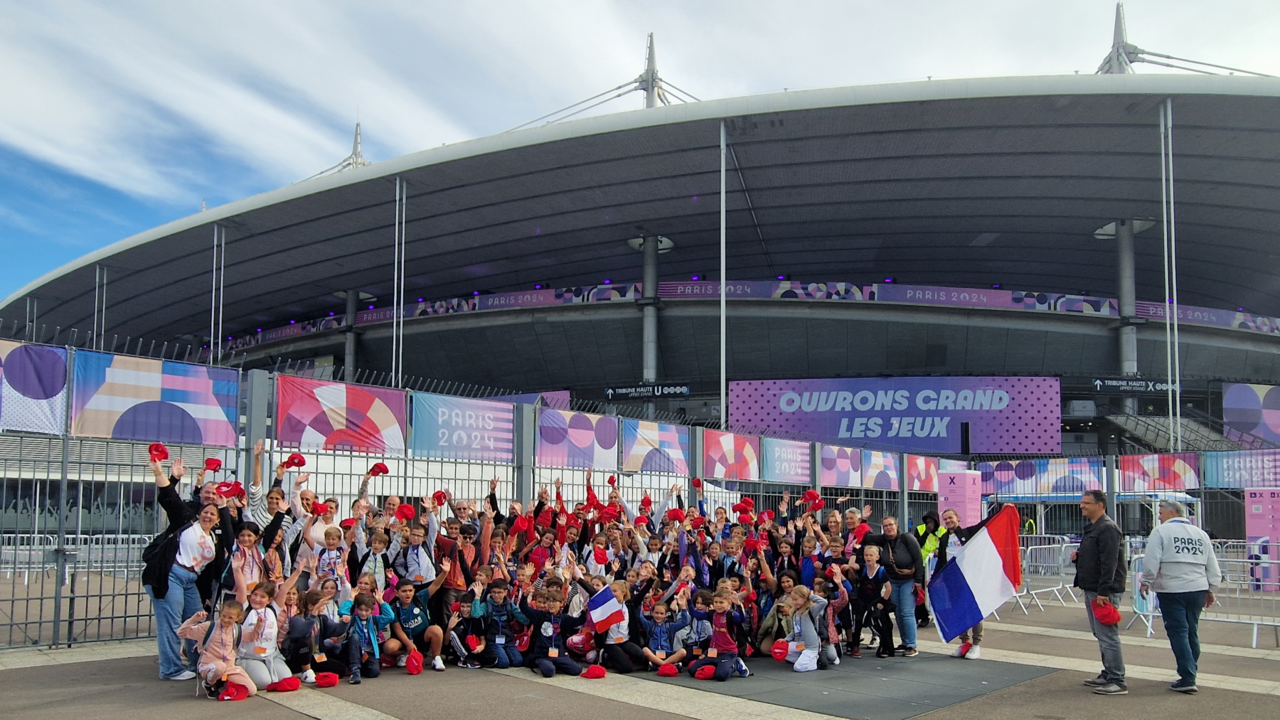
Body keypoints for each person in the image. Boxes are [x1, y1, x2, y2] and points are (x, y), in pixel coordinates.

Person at [141, 457, 236, 681]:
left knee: (199, 622)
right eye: (206, 511)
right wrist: (162, 474)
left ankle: (198, 663)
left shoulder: (214, 537)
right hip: (171, 575)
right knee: (172, 624)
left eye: (213, 513)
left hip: (190, 581)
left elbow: (229, 545)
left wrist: (223, 506)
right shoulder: (188, 523)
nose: (208, 515)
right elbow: (170, 498)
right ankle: (171, 669)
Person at [1140, 500, 1221, 694]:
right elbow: (1212, 564)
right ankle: (1190, 669)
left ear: (1172, 513)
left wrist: (1146, 580)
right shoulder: (1201, 534)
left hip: (1171, 588)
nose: (1158, 516)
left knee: (1178, 631)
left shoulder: (1160, 532)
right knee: (1191, 630)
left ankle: (1187, 676)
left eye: (1161, 512)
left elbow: (1151, 559)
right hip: (1197, 588)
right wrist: (1212, 589)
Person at [1072, 489, 1127, 695]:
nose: (1082, 506)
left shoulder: (1107, 529)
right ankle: (1108, 673)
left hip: (1103, 592)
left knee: (1107, 634)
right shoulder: (1096, 528)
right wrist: (1079, 558)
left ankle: (1117, 679)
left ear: (1100, 505)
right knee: (1100, 633)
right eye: (1082, 502)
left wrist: (1104, 591)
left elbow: (1110, 562)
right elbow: (1099, 557)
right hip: (1093, 588)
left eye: (1087, 503)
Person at [861, 516, 923, 657]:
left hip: (909, 580)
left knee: (907, 612)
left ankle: (912, 645)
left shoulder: (907, 538)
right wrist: (864, 520)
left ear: (896, 525)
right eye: (885, 526)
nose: (888, 528)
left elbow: (918, 558)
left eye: (890, 525)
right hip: (892, 581)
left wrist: (918, 580)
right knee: (897, 612)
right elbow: (866, 538)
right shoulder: (884, 540)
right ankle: (904, 642)